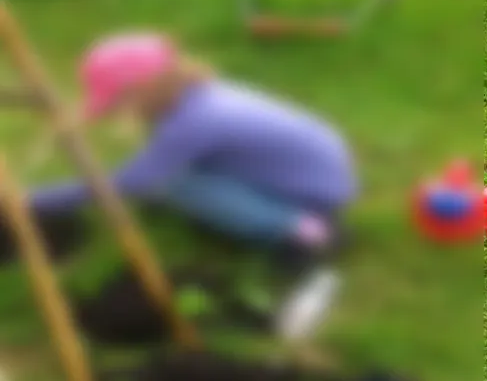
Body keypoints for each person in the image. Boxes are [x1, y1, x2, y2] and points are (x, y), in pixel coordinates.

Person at [29, 33, 356, 260]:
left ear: (145, 89)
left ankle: (307, 233)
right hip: (310, 168)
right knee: (171, 177)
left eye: (119, 104)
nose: (118, 113)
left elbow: (130, 181)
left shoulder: (197, 121)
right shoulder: (195, 95)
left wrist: (34, 201)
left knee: (176, 183)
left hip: (313, 191)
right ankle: (269, 212)